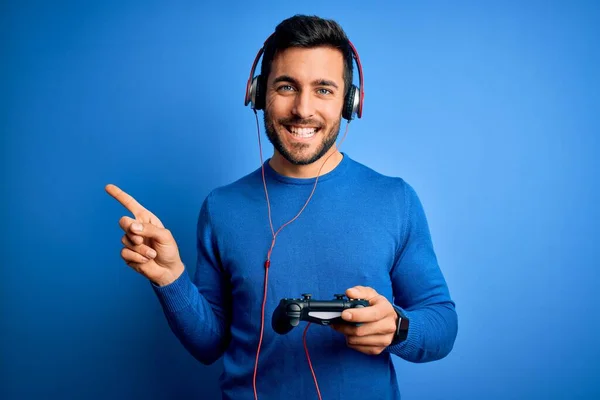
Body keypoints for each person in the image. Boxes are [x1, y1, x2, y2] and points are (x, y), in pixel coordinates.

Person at [106, 14, 458, 400]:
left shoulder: (396, 200)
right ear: (259, 94)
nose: (303, 109)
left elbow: (442, 323)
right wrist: (170, 278)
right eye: (287, 86)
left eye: (323, 89)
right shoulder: (221, 207)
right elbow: (209, 346)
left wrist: (398, 327)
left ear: (349, 102)